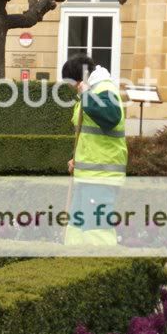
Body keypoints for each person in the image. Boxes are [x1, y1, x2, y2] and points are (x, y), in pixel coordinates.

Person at [61, 54, 127, 246]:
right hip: (88, 174)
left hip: (101, 175)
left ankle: (103, 263)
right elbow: (88, 135)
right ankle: (74, 261)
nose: (71, 88)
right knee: (76, 228)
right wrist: (76, 159)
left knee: (97, 230)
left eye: (70, 84)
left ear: (79, 80)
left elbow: (111, 117)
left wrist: (87, 95)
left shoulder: (103, 89)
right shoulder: (91, 92)